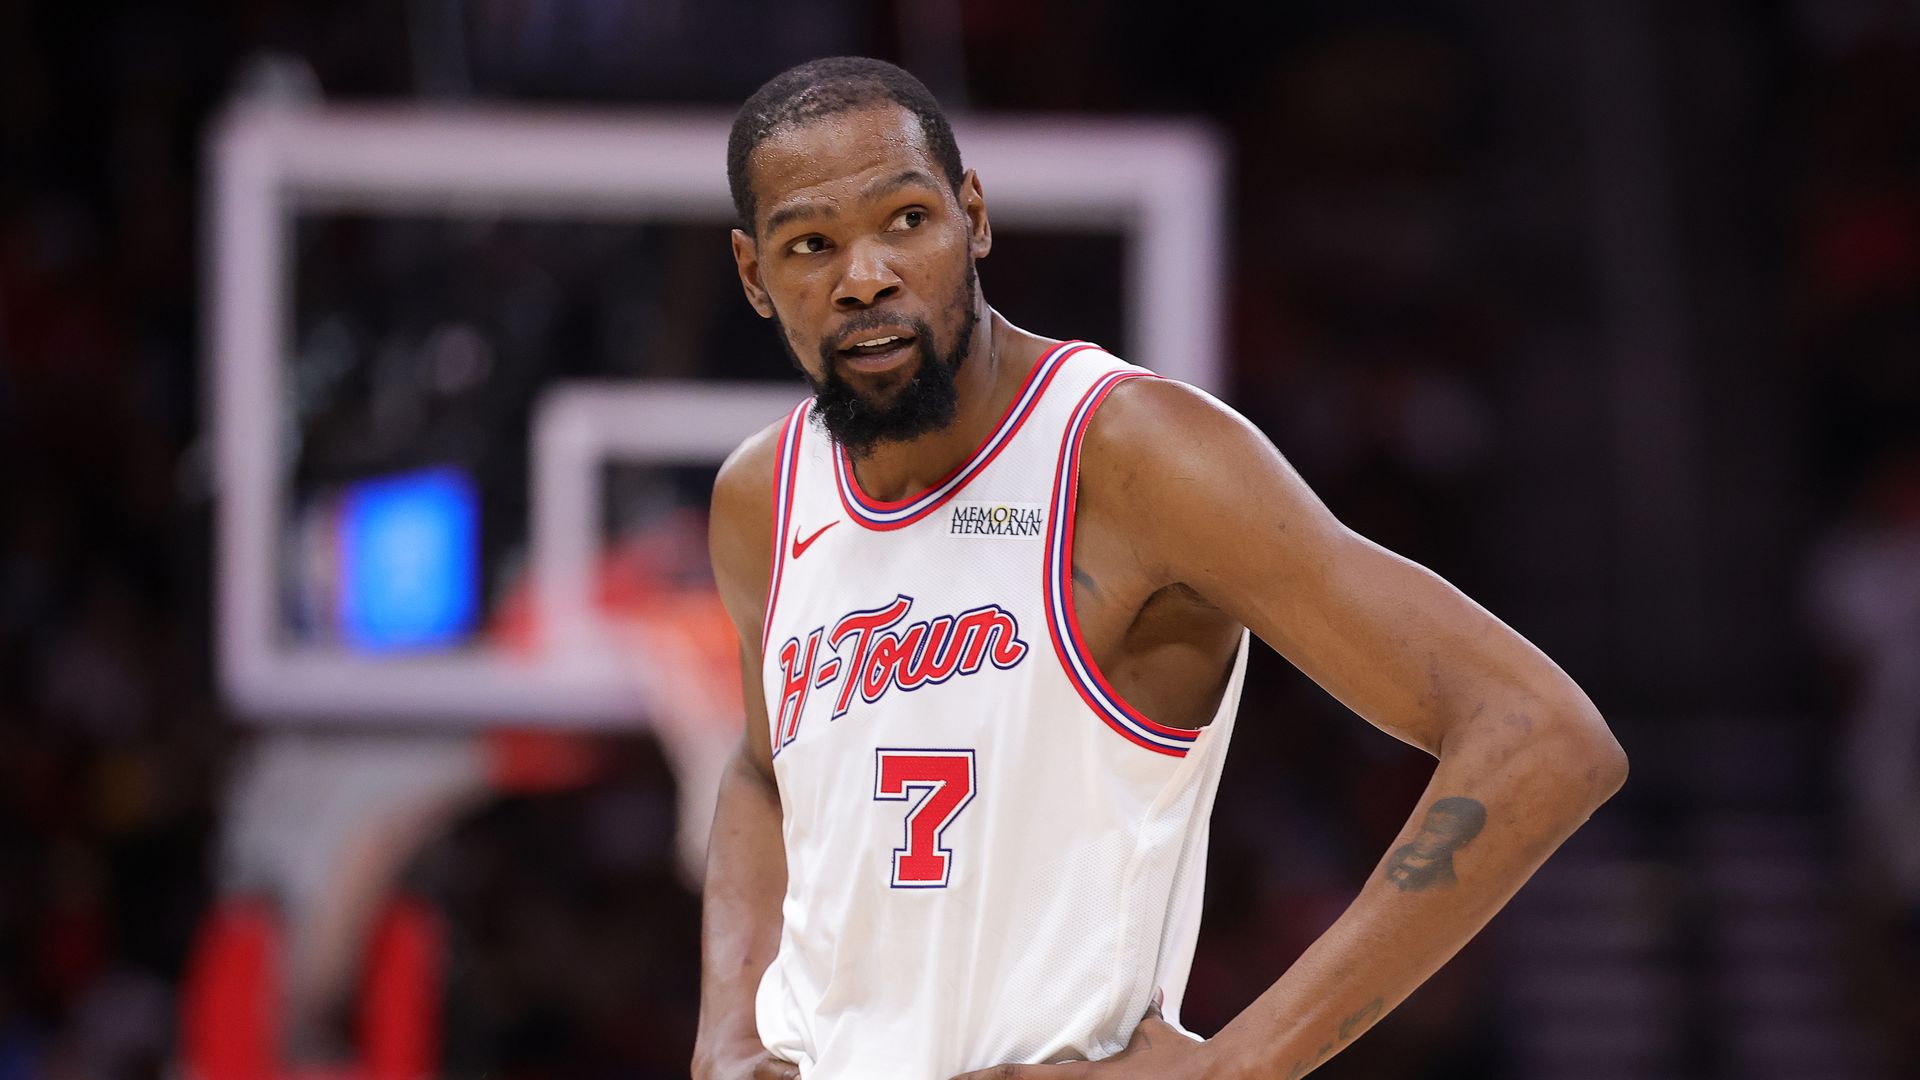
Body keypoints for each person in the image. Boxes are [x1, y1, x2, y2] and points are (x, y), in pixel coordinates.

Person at [693, 56, 1627, 1080]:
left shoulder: (1132, 455)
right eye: (811, 244)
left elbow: (1543, 737)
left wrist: (1240, 1066)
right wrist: (730, 1034)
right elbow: (758, 769)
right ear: (754, 275)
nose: (864, 275)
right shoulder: (760, 499)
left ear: (974, 218)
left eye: (906, 220)